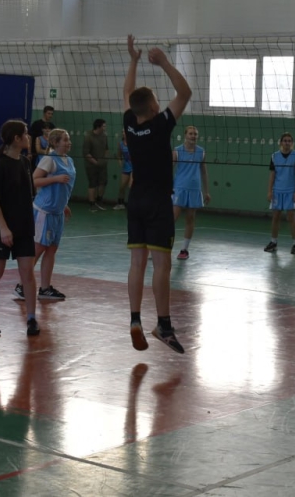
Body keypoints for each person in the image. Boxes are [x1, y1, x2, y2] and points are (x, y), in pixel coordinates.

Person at [122, 34, 192, 354]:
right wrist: (163, 62)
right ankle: (163, 325)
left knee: (137, 263)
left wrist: (134, 61)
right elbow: (185, 92)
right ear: (153, 107)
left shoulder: (129, 123)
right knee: (162, 265)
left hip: (135, 200)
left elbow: (127, 93)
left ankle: (135, 319)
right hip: (158, 202)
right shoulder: (161, 124)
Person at [0, 120, 38, 337]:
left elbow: (29, 195)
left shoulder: (25, 162)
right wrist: (4, 229)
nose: (28, 137)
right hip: (1, 227)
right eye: (26, 134)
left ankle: (31, 319)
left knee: (27, 272)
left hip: (24, 226)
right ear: (16, 138)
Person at [25, 128, 76, 302]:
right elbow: (34, 180)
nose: (69, 142)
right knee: (38, 249)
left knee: (52, 249)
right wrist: (55, 178)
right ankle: (21, 285)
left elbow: (63, 188)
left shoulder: (69, 160)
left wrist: (64, 204)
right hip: (44, 211)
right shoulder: (49, 159)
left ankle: (45, 288)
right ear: (55, 143)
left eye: (68, 139)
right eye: (65, 140)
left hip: (57, 211)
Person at [172, 126, 210, 260]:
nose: (193, 136)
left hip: (194, 189)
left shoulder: (201, 152)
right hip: (179, 188)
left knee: (190, 219)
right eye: (191, 133)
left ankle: (184, 250)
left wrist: (206, 191)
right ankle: (162, 246)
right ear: (185, 135)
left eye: (195, 134)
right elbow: (168, 169)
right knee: (172, 219)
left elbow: (204, 172)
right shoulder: (177, 151)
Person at [264, 133, 295, 254]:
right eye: (285, 140)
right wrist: (269, 191)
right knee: (276, 217)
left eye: (289, 141)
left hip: (290, 191)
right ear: (281, 142)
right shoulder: (274, 156)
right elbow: (272, 175)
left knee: (291, 217)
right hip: (277, 191)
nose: (287, 143)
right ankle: (273, 242)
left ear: (292, 143)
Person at [82, 118, 109, 211]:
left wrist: (104, 159)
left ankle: (99, 201)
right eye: (104, 126)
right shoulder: (88, 136)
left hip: (102, 164)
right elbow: (86, 153)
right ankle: (92, 203)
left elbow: (106, 149)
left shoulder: (104, 136)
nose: (105, 128)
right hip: (91, 165)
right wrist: (96, 162)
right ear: (98, 127)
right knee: (93, 183)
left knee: (103, 182)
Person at [115, 131, 132, 210]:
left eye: (124, 131)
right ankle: (120, 203)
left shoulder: (134, 142)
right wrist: (120, 162)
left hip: (134, 167)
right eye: (122, 132)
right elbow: (118, 155)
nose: (123, 133)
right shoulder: (121, 144)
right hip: (126, 167)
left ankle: (132, 204)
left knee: (131, 185)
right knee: (122, 186)